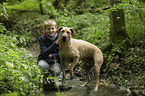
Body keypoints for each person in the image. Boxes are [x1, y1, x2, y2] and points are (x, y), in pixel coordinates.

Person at [37, 19, 61, 90]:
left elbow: (62, 53)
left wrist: (52, 55)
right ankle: (45, 80)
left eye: (52, 28)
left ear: (56, 29)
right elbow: (44, 53)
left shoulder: (60, 37)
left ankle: (54, 81)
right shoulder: (42, 38)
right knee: (42, 66)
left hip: (55, 60)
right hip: (44, 59)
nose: (51, 30)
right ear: (45, 29)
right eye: (48, 29)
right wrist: (55, 44)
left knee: (56, 70)